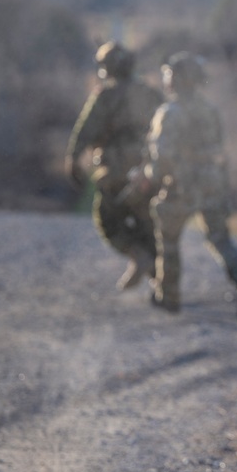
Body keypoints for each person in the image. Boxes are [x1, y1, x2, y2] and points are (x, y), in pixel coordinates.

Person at [139, 52, 237, 320]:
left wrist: (147, 176)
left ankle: (168, 295)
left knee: (168, 241)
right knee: (220, 239)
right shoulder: (210, 110)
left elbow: (162, 157)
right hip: (211, 183)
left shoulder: (169, 113)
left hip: (180, 186)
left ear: (176, 80)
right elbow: (219, 149)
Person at [65, 41, 164, 290]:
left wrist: (74, 159)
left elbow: (86, 130)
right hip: (148, 169)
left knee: (108, 219)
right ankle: (160, 280)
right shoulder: (151, 93)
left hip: (115, 170)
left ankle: (138, 257)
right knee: (148, 222)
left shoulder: (105, 96)